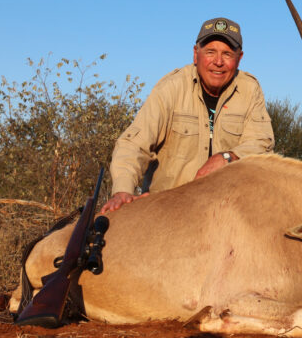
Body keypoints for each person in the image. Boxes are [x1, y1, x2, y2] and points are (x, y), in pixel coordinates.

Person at [100, 17, 274, 214]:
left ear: (239, 58)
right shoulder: (171, 87)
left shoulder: (250, 89)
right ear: (195, 54)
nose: (218, 62)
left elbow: (262, 143)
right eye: (210, 52)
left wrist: (228, 157)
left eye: (227, 54)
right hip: (170, 212)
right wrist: (123, 190)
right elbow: (134, 144)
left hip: (227, 213)